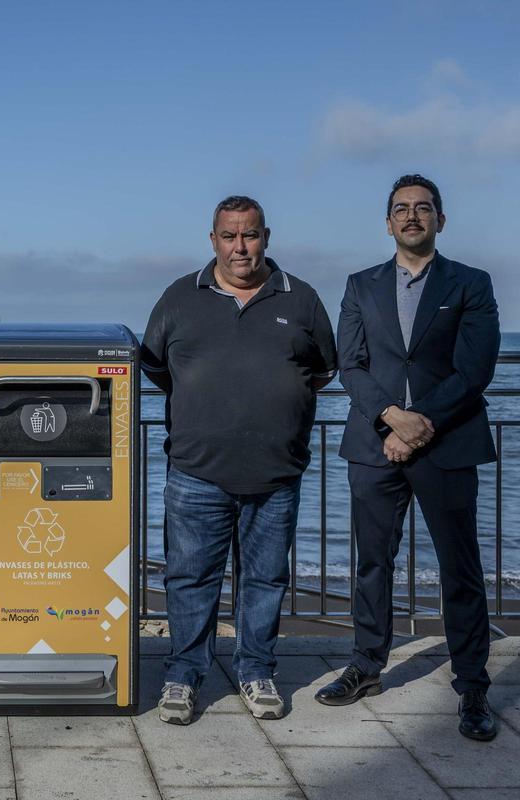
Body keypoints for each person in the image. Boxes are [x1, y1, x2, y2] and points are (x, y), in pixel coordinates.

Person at [141, 196, 337, 725]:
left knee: (265, 579)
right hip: (196, 472)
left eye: (249, 235)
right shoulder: (180, 296)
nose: (240, 247)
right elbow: (156, 367)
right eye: (229, 236)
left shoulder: (301, 298)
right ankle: (184, 676)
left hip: (276, 473)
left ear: (266, 237)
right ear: (213, 240)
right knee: (189, 578)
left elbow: (323, 369)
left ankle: (256, 671)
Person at [318, 174, 500, 742]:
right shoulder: (360, 285)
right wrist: (392, 418)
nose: (412, 216)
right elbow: (350, 365)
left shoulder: (471, 282)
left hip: (447, 443)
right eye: (402, 208)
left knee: (460, 568)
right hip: (374, 444)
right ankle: (366, 666)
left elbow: (475, 369)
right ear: (388, 222)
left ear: (440, 220)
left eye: (423, 208)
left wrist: (418, 425)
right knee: (373, 562)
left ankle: (472, 686)